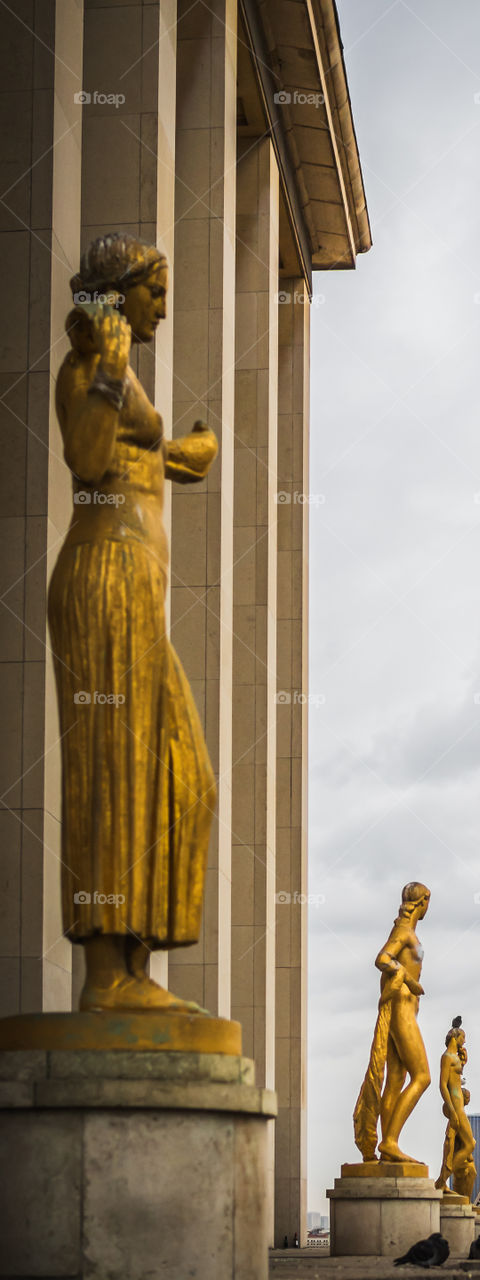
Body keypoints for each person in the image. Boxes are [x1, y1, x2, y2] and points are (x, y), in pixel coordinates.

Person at [49, 232, 219, 1013]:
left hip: (137, 590)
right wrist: (114, 369)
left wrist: (192, 448)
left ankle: (136, 962)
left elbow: (154, 453)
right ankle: (106, 978)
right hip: (104, 580)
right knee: (115, 773)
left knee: (185, 783)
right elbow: (86, 459)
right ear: (123, 291)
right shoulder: (89, 365)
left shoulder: (122, 370)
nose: (164, 303)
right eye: (155, 289)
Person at [353, 882, 431, 1163]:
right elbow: (382, 958)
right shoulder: (404, 932)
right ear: (423, 901)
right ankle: (389, 1141)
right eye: (427, 902)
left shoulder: (408, 932)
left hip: (406, 1009)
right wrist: (410, 981)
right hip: (403, 1010)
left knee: (396, 1080)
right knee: (423, 1076)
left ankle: (389, 1147)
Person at [434, 1018, 476, 1200]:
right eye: (463, 1037)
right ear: (455, 1036)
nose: (464, 1041)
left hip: (459, 1106)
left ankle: (443, 1180)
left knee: (467, 1146)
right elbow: (442, 1085)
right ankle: (441, 1180)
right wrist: (451, 1110)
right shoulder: (446, 1057)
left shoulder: (454, 1058)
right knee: (470, 1144)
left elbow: (455, 1080)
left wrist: (463, 1062)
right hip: (456, 1108)